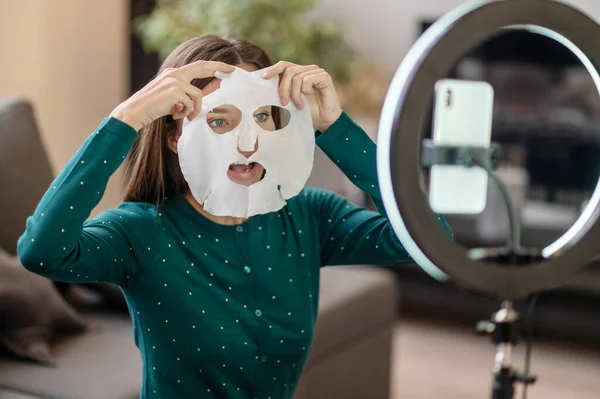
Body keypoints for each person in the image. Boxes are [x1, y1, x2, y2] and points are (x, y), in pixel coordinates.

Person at [18, 35, 450, 398]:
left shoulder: (308, 216)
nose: (248, 143)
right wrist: (125, 120)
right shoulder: (141, 230)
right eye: (220, 122)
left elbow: (433, 238)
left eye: (263, 117)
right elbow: (41, 251)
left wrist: (335, 127)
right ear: (174, 136)